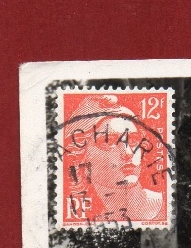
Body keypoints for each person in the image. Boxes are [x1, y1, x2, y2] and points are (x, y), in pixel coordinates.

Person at [63, 94, 166, 226]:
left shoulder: (165, 205)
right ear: (81, 158)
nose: (127, 153)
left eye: (133, 140)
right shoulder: (96, 222)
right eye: (108, 141)